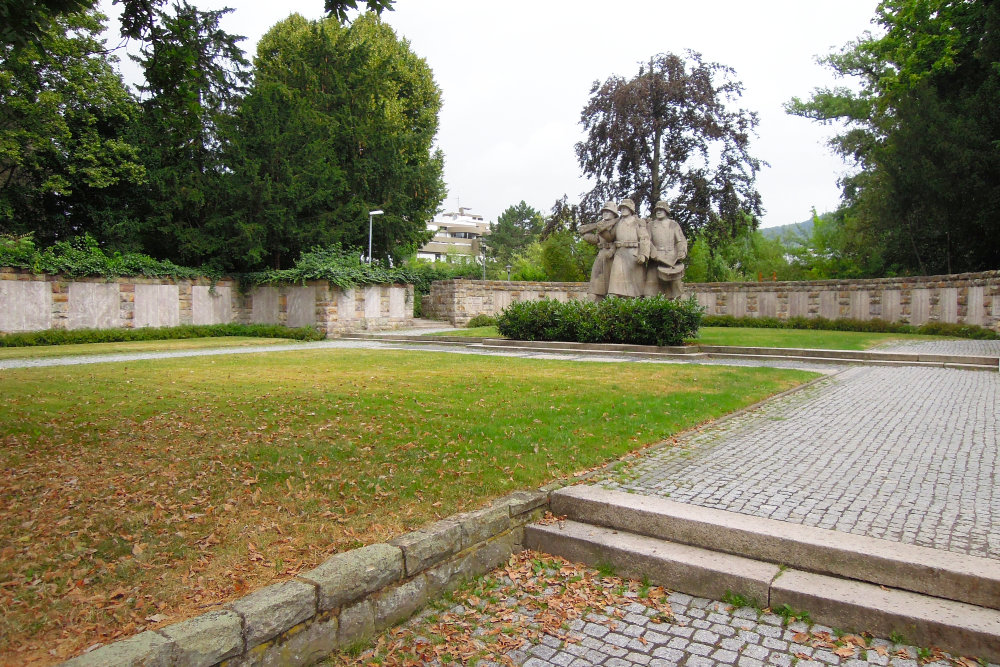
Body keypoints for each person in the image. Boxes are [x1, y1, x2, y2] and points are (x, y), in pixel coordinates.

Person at [642, 200, 687, 299]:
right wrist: (653, 253)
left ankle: (679, 310)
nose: (658, 211)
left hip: (672, 260)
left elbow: (680, 240)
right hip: (655, 260)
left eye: (661, 209)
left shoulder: (673, 224)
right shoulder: (650, 225)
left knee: (676, 289)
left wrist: (681, 251)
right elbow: (646, 241)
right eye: (657, 210)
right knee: (650, 291)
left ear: (666, 211)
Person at [606, 199, 650, 298]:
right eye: (622, 208)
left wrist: (643, 254)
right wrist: (601, 230)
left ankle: (635, 309)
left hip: (634, 254)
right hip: (620, 254)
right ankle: (611, 308)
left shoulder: (638, 222)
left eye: (626, 207)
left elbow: (644, 238)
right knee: (614, 285)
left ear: (631, 209)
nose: (623, 209)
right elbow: (611, 238)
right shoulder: (618, 223)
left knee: (635, 288)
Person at [579, 201, 619, 300]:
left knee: (613, 285)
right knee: (596, 283)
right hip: (601, 254)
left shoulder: (618, 224)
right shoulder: (601, 224)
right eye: (604, 211)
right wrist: (585, 235)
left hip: (614, 256)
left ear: (613, 213)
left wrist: (612, 250)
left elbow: (619, 239)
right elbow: (596, 239)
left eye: (608, 211)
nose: (605, 213)